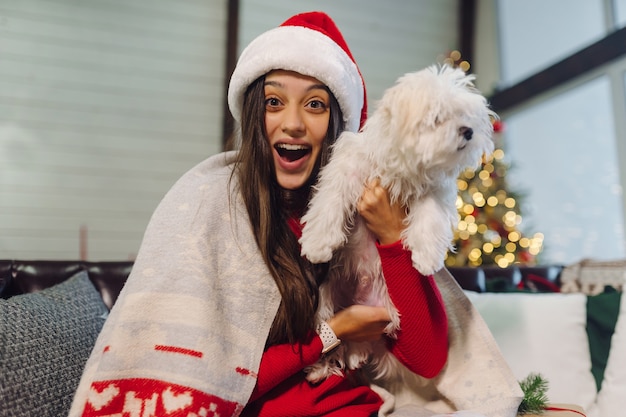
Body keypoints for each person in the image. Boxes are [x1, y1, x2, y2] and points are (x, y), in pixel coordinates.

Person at [70, 11, 523, 417]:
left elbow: (426, 359)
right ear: (253, 115)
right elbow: (211, 379)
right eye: (273, 102)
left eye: (314, 104)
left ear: (336, 125)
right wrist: (332, 332)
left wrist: (390, 237)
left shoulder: (369, 200)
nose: (292, 123)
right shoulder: (213, 207)